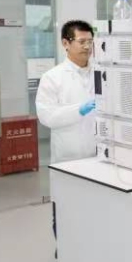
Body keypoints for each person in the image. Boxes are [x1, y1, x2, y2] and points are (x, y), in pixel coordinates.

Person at [36, 20, 97, 164]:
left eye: (90, 42)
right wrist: (78, 110)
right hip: (69, 156)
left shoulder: (101, 73)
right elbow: (47, 116)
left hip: (100, 153)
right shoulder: (52, 77)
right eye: (81, 42)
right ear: (65, 43)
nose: (87, 47)